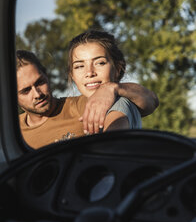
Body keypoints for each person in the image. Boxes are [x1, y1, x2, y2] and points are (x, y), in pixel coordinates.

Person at [17, 47, 158, 149]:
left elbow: (150, 100)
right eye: (26, 90)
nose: (37, 94)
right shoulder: (10, 133)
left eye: (40, 82)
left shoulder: (83, 106)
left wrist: (112, 87)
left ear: (47, 76)